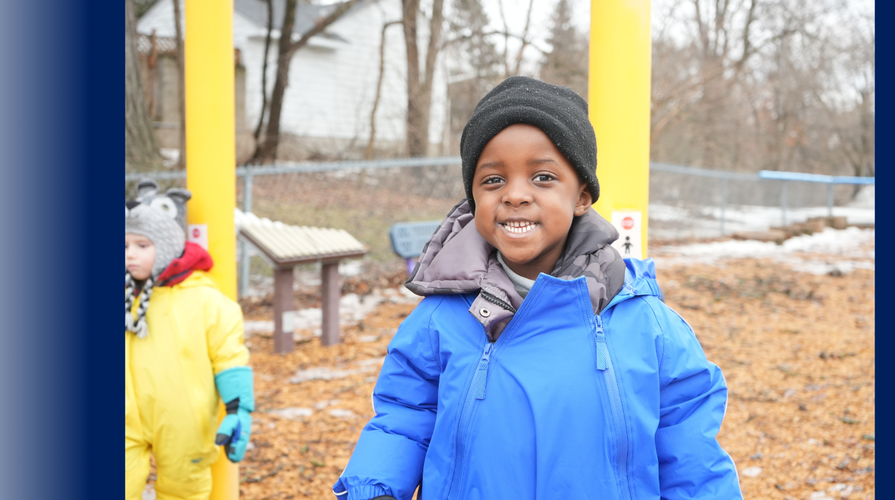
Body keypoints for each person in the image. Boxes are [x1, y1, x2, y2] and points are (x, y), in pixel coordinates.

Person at [333, 76, 742, 500]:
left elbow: (689, 444)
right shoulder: (442, 317)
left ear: (581, 195)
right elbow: (404, 413)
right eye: (492, 180)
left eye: (543, 177)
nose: (514, 195)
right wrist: (377, 487)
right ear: (474, 199)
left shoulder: (644, 321)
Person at [125, 197, 255, 500]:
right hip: (126, 418)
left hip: (184, 423)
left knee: (183, 491)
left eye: (142, 246)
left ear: (167, 246)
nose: (130, 255)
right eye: (125, 245)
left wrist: (238, 409)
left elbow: (230, 357)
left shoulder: (206, 302)